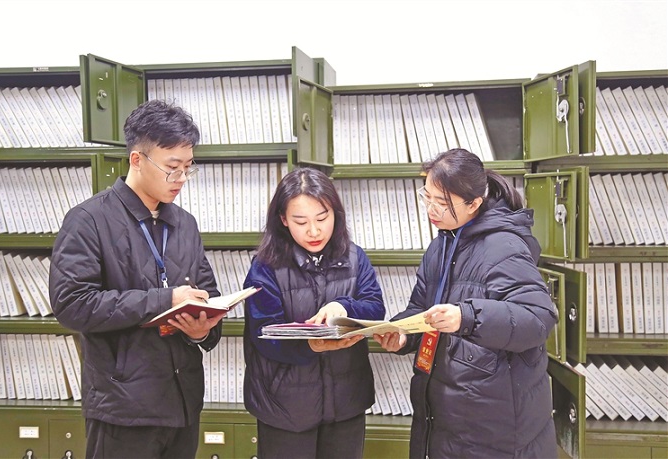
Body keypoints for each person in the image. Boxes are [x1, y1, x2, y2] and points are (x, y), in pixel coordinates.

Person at [49, 99, 224, 459]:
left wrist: (203, 330)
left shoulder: (185, 224)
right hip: (123, 409)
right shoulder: (89, 220)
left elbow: (208, 293)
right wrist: (164, 300)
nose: (181, 179)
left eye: (188, 168)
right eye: (172, 168)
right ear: (137, 159)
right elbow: (72, 304)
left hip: (183, 402)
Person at [374, 148, 559, 458]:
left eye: (442, 202)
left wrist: (467, 317)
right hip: (446, 416)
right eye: (427, 197)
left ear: (474, 203)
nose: (431, 209)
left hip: (493, 427)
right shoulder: (442, 244)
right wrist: (404, 335)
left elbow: (538, 318)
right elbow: (421, 309)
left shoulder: (503, 246)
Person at [242, 167, 385, 459]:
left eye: (322, 218)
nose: (314, 231)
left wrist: (343, 306)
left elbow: (375, 308)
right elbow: (263, 335)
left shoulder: (355, 257)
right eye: (301, 221)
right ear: (283, 220)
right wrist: (311, 345)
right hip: (284, 406)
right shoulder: (265, 267)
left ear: (335, 214)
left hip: (346, 403)